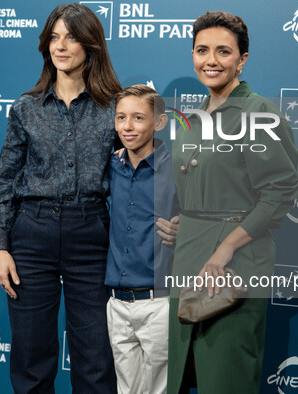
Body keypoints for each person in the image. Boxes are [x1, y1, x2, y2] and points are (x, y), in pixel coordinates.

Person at [0, 4, 122, 393]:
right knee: (31, 362)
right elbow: (6, 181)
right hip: (31, 234)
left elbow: (135, 175)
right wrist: (0, 246)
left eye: (72, 37)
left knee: (97, 363)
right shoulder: (26, 108)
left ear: (91, 44)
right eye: (54, 37)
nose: (61, 46)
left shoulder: (115, 107)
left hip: (92, 235)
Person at [167, 11, 298, 394]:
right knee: (184, 377)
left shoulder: (260, 114)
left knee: (225, 377)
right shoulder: (194, 117)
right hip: (189, 257)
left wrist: (225, 248)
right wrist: (186, 221)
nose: (211, 60)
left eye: (223, 51)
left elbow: (281, 193)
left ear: (242, 59)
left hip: (235, 266)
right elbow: (203, 184)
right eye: (201, 50)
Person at [105, 85, 179, 394]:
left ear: (159, 122)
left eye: (138, 118)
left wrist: (186, 227)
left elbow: (208, 219)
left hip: (159, 302)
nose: (127, 126)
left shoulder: (178, 169)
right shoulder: (110, 166)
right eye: (121, 117)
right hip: (116, 303)